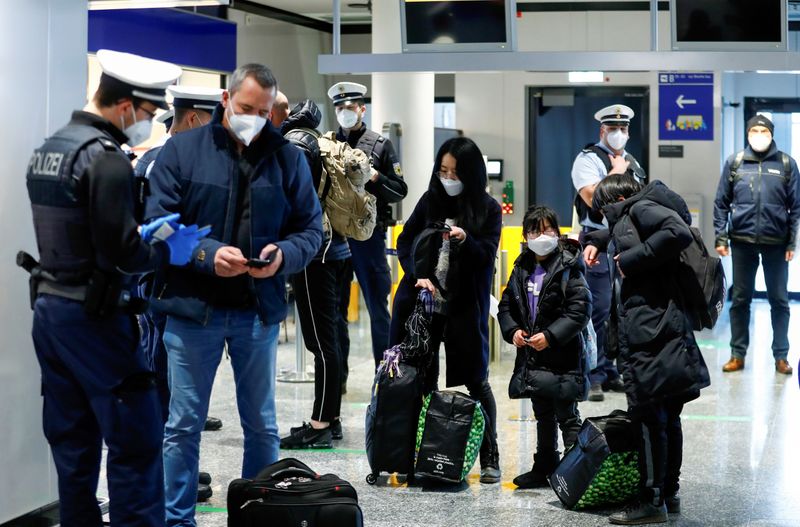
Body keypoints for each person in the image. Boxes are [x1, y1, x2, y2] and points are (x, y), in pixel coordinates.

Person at [23, 49, 208, 527]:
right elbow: (124, 255)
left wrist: (131, 235)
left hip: (50, 311)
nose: (147, 123)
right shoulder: (105, 160)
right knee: (136, 445)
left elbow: (78, 233)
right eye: (148, 113)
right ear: (125, 106)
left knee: (74, 444)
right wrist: (166, 249)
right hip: (98, 320)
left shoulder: (52, 147)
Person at [145, 63, 323, 527]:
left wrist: (285, 255)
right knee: (182, 426)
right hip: (191, 312)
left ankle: (256, 516)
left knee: (262, 427)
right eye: (246, 108)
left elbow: (312, 229)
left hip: (257, 314)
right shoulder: (182, 151)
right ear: (226, 99)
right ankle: (176, 519)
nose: (255, 119)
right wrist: (206, 254)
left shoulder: (288, 158)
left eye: (264, 111)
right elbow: (158, 227)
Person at [588, 175, 711, 525]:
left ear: (620, 197)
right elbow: (627, 233)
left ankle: (651, 499)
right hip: (662, 325)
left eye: (605, 210)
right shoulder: (638, 211)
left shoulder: (639, 207)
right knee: (668, 414)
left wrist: (630, 260)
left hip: (650, 331)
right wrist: (598, 238)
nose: (606, 219)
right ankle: (668, 493)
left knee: (647, 416)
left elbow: (676, 233)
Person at [390, 137, 502, 484]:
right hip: (424, 305)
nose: (448, 178)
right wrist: (416, 275)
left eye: (455, 172)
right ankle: (425, 451)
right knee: (424, 379)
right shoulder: (429, 201)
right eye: (443, 170)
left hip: (463, 309)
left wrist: (466, 240)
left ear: (470, 174)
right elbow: (404, 241)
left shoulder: (488, 209)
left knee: (476, 380)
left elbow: (487, 255)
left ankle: (490, 455)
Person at [133, 85, 225, 502]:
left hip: (165, 290)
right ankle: (162, 477)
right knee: (165, 387)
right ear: (193, 120)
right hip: (166, 291)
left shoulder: (155, 161)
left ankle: (172, 473)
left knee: (172, 391)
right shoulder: (169, 163)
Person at [498, 205, 590, 488]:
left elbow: (580, 311)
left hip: (563, 356)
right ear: (525, 235)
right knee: (543, 415)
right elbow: (506, 306)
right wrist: (512, 330)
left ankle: (576, 474)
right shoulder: (521, 267)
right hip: (532, 359)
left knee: (567, 416)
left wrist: (550, 336)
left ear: (557, 232)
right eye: (536, 230)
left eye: (549, 229)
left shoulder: (569, 266)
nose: (543, 235)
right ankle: (545, 466)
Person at [279, 99, 352, 448]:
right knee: (331, 338)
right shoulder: (318, 141)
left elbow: (294, 200)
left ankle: (320, 424)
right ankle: (330, 417)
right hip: (336, 249)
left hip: (314, 255)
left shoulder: (295, 144)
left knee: (321, 344)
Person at [329, 81, 408, 385]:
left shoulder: (379, 145)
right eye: (340, 108)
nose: (346, 113)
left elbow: (400, 190)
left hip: (368, 237)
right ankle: (338, 378)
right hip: (335, 237)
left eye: (350, 107)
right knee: (336, 311)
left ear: (362, 109)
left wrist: (374, 176)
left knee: (377, 309)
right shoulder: (328, 144)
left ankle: (384, 377)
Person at [571, 103, 647, 402]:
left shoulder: (633, 162)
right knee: (598, 310)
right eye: (613, 128)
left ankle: (612, 369)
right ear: (602, 130)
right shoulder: (588, 159)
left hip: (627, 239)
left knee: (621, 308)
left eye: (623, 129)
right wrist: (615, 173)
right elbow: (592, 198)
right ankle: (593, 372)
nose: (618, 133)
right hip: (597, 239)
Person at [714, 114, 799, 375]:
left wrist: (792, 243)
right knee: (740, 300)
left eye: (764, 130)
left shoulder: (786, 164)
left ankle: (781, 356)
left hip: (776, 243)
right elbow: (721, 203)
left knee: (779, 301)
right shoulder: (736, 163)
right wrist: (721, 236)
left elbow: (795, 207)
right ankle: (737, 354)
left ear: (771, 134)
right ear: (748, 134)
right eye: (755, 130)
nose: (759, 134)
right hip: (742, 242)